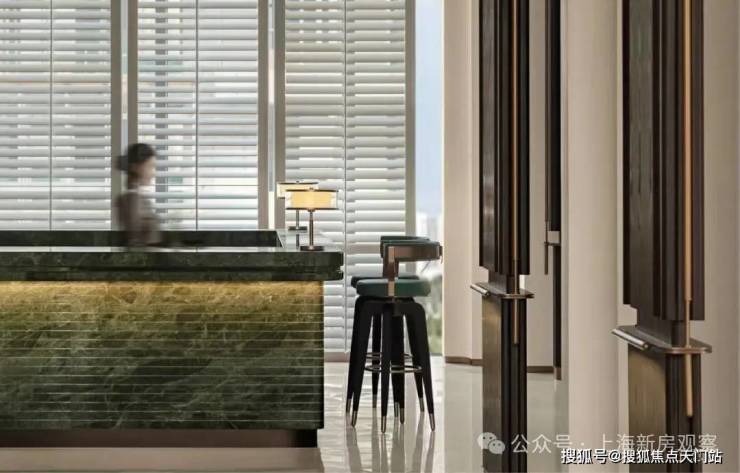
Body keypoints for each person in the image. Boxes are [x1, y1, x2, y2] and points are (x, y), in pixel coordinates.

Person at [114, 143, 162, 247]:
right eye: (150, 166)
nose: (153, 173)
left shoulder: (138, 198)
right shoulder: (132, 199)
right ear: (136, 167)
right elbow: (134, 240)